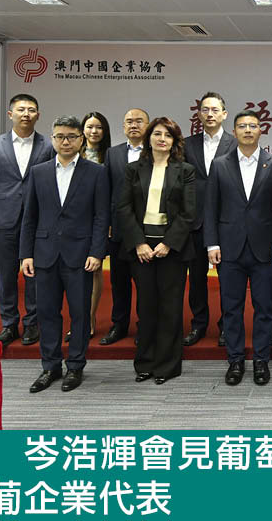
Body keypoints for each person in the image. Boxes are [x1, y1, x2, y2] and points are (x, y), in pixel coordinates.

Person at [21, 116, 109, 393]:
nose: (66, 142)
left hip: (80, 255)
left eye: (71, 136)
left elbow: (101, 217)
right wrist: (26, 255)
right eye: (60, 136)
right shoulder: (39, 172)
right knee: (47, 312)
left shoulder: (96, 172)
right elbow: (29, 217)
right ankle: (50, 366)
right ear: (53, 139)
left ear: (81, 139)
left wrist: (97, 252)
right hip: (44, 254)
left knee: (80, 313)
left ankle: (75, 366)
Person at [204, 110, 272, 386]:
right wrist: (212, 243)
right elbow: (211, 207)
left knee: (264, 307)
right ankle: (235, 360)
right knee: (232, 308)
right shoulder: (220, 164)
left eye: (253, 125)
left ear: (260, 130)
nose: (248, 130)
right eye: (242, 126)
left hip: (265, 248)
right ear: (235, 131)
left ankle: (261, 360)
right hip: (229, 248)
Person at [118, 117, 196, 384]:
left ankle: (167, 366)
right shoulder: (132, 169)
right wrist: (139, 243)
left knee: (170, 308)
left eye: (168, 135)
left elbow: (189, 212)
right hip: (141, 247)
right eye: (157, 134)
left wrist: (168, 243)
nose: (162, 139)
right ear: (148, 138)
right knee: (146, 306)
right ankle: (145, 362)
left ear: (175, 141)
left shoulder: (185, 170)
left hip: (172, 248)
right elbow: (123, 208)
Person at [0, 94, 54, 347]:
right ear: (10, 114)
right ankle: (9, 324)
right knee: (6, 276)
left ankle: (32, 323)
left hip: (37, 221)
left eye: (31, 110)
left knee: (34, 274)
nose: (26, 114)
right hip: (4, 220)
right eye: (21, 109)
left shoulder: (47, 146)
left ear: (38, 115)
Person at [183, 92, 236, 347]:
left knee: (228, 280)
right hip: (195, 222)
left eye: (215, 110)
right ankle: (199, 324)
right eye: (205, 110)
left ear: (224, 114)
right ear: (199, 114)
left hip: (226, 223)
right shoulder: (187, 144)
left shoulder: (235, 144)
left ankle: (227, 325)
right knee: (196, 280)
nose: (210, 114)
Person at [100, 108, 150, 345]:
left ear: (148, 126)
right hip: (118, 230)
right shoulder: (113, 153)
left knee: (145, 284)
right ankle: (119, 325)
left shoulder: (156, 152)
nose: (134, 125)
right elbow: (106, 191)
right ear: (123, 126)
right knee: (119, 282)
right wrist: (108, 223)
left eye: (139, 121)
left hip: (147, 231)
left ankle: (144, 327)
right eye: (129, 121)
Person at [68, 111, 111, 342]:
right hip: (74, 222)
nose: (94, 131)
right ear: (82, 130)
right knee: (73, 272)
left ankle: (90, 318)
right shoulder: (71, 154)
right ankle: (77, 319)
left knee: (94, 269)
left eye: (99, 127)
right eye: (89, 127)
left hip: (99, 221)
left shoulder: (111, 156)